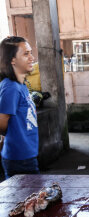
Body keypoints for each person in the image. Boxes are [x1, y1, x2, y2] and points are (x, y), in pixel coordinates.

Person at [0, 36, 39, 179]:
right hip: (19, 159)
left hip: (27, 155)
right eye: (26, 54)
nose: (32, 58)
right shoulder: (11, 88)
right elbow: (1, 123)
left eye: (30, 53)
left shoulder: (21, 86)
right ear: (12, 60)